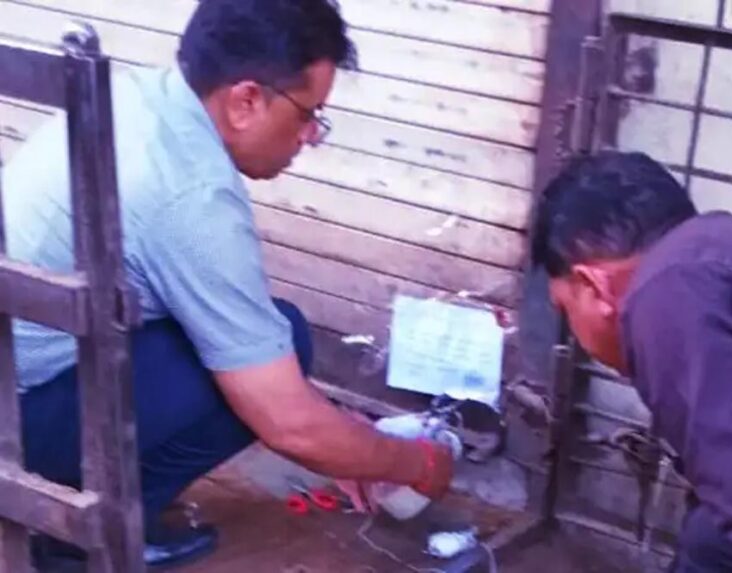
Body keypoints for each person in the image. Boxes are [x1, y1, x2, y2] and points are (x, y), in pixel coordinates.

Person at [3, 0, 453, 569]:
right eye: (309, 113)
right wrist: (416, 464)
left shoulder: (138, 96)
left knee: (261, 338)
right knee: (282, 345)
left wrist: (347, 441)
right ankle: (79, 538)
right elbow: (286, 422)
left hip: (13, 382)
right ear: (245, 102)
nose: (312, 135)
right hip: (14, 431)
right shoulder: (192, 197)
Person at [530, 151, 732, 573]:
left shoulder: (665, 294)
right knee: (713, 541)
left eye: (565, 310)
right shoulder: (726, 256)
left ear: (591, 285)